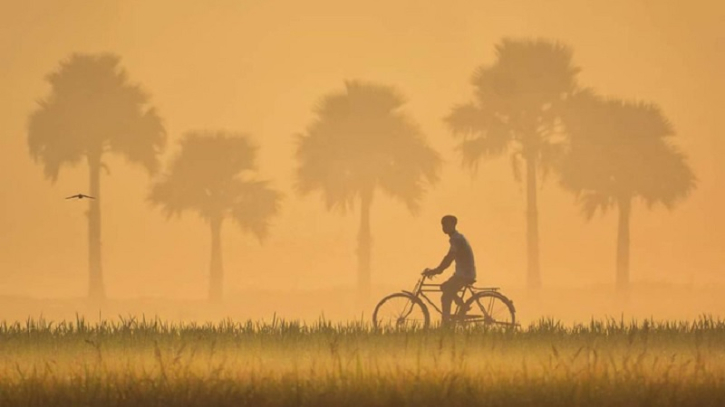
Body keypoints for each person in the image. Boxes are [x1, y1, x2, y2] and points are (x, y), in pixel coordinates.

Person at [424, 215, 476, 325]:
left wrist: (437, 270)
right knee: (445, 287)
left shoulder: (456, 239)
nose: (444, 227)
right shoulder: (457, 238)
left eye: (446, 224)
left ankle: (446, 323)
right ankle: (461, 306)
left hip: (464, 274)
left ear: (453, 225)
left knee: (446, 294)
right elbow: (450, 257)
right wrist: (437, 270)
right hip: (463, 273)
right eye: (442, 225)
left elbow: (450, 257)